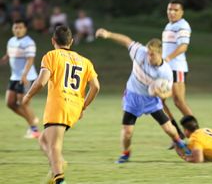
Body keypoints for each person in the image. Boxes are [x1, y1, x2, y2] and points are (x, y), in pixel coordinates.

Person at [95, 28, 191, 164]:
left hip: (151, 100)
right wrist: (108, 34)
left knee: (169, 129)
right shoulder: (140, 52)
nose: (148, 56)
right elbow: (126, 41)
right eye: (148, 53)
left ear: (160, 54)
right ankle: (125, 153)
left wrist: (161, 93)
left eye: (152, 55)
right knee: (127, 132)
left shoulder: (166, 72)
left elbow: (169, 91)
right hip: (133, 96)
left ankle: (178, 142)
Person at [22, 25, 100, 184]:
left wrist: (28, 95)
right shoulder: (85, 61)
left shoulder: (51, 56)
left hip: (59, 106)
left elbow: (42, 81)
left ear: (53, 41)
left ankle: (59, 178)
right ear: (71, 41)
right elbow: (96, 87)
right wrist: (83, 106)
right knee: (43, 140)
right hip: (74, 108)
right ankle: (58, 163)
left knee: (54, 147)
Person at [0, 19, 40, 138]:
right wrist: (4, 59)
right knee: (10, 103)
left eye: (20, 27)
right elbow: (9, 54)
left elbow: (30, 60)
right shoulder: (11, 41)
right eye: (15, 27)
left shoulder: (29, 42)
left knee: (23, 103)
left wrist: (24, 75)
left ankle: (34, 130)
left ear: (25, 29)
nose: (17, 30)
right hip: (15, 77)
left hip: (27, 77)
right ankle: (32, 119)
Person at [161, 0, 193, 140]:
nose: (172, 12)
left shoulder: (183, 26)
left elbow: (183, 46)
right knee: (158, 102)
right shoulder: (169, 26)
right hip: (166, 69)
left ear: (182, 12)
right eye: (169, 9)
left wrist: (167, 58)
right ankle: (177, 133)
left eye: (175, 10)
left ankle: (197, 133)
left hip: (177, 68)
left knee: (179, 101)